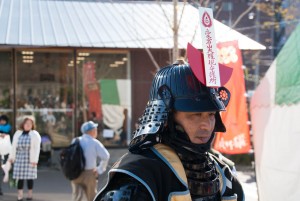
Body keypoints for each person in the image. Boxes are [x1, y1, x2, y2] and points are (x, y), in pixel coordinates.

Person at [94, 61, 244, 201]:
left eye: (211, 114)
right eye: (195, 115)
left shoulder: (224, 173)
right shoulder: (138, 175)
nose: (206, 125)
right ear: (166, 117)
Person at [71, 121, 110, 201]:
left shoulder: (75, 140)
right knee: (91, 198)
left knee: (77, 197)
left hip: (75, 172)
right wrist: (99, 169)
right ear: (92, 131)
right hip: (90, 173)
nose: (96, 132)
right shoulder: (94, 143)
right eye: (95, 130)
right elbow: (106, 156)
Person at [9, 116, 41, 201]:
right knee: (20, 177)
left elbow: (37, 148)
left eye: (30, 124)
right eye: (26, 123)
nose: (28, 125)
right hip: (19, 157)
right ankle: (20, 195)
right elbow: (13, 147)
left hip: (30, 157)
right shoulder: (18, 133)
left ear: (32, 125)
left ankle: (30, 195)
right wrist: (11, 157)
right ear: (23, 124)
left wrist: (35, 160)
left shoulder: (35, 134)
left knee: (30, 177)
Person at [0, 114, 12, 195]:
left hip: (4, 150)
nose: (2, 122)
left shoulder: (9, 128)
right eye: (1, 120)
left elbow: (11, 137)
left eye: (3, 120)